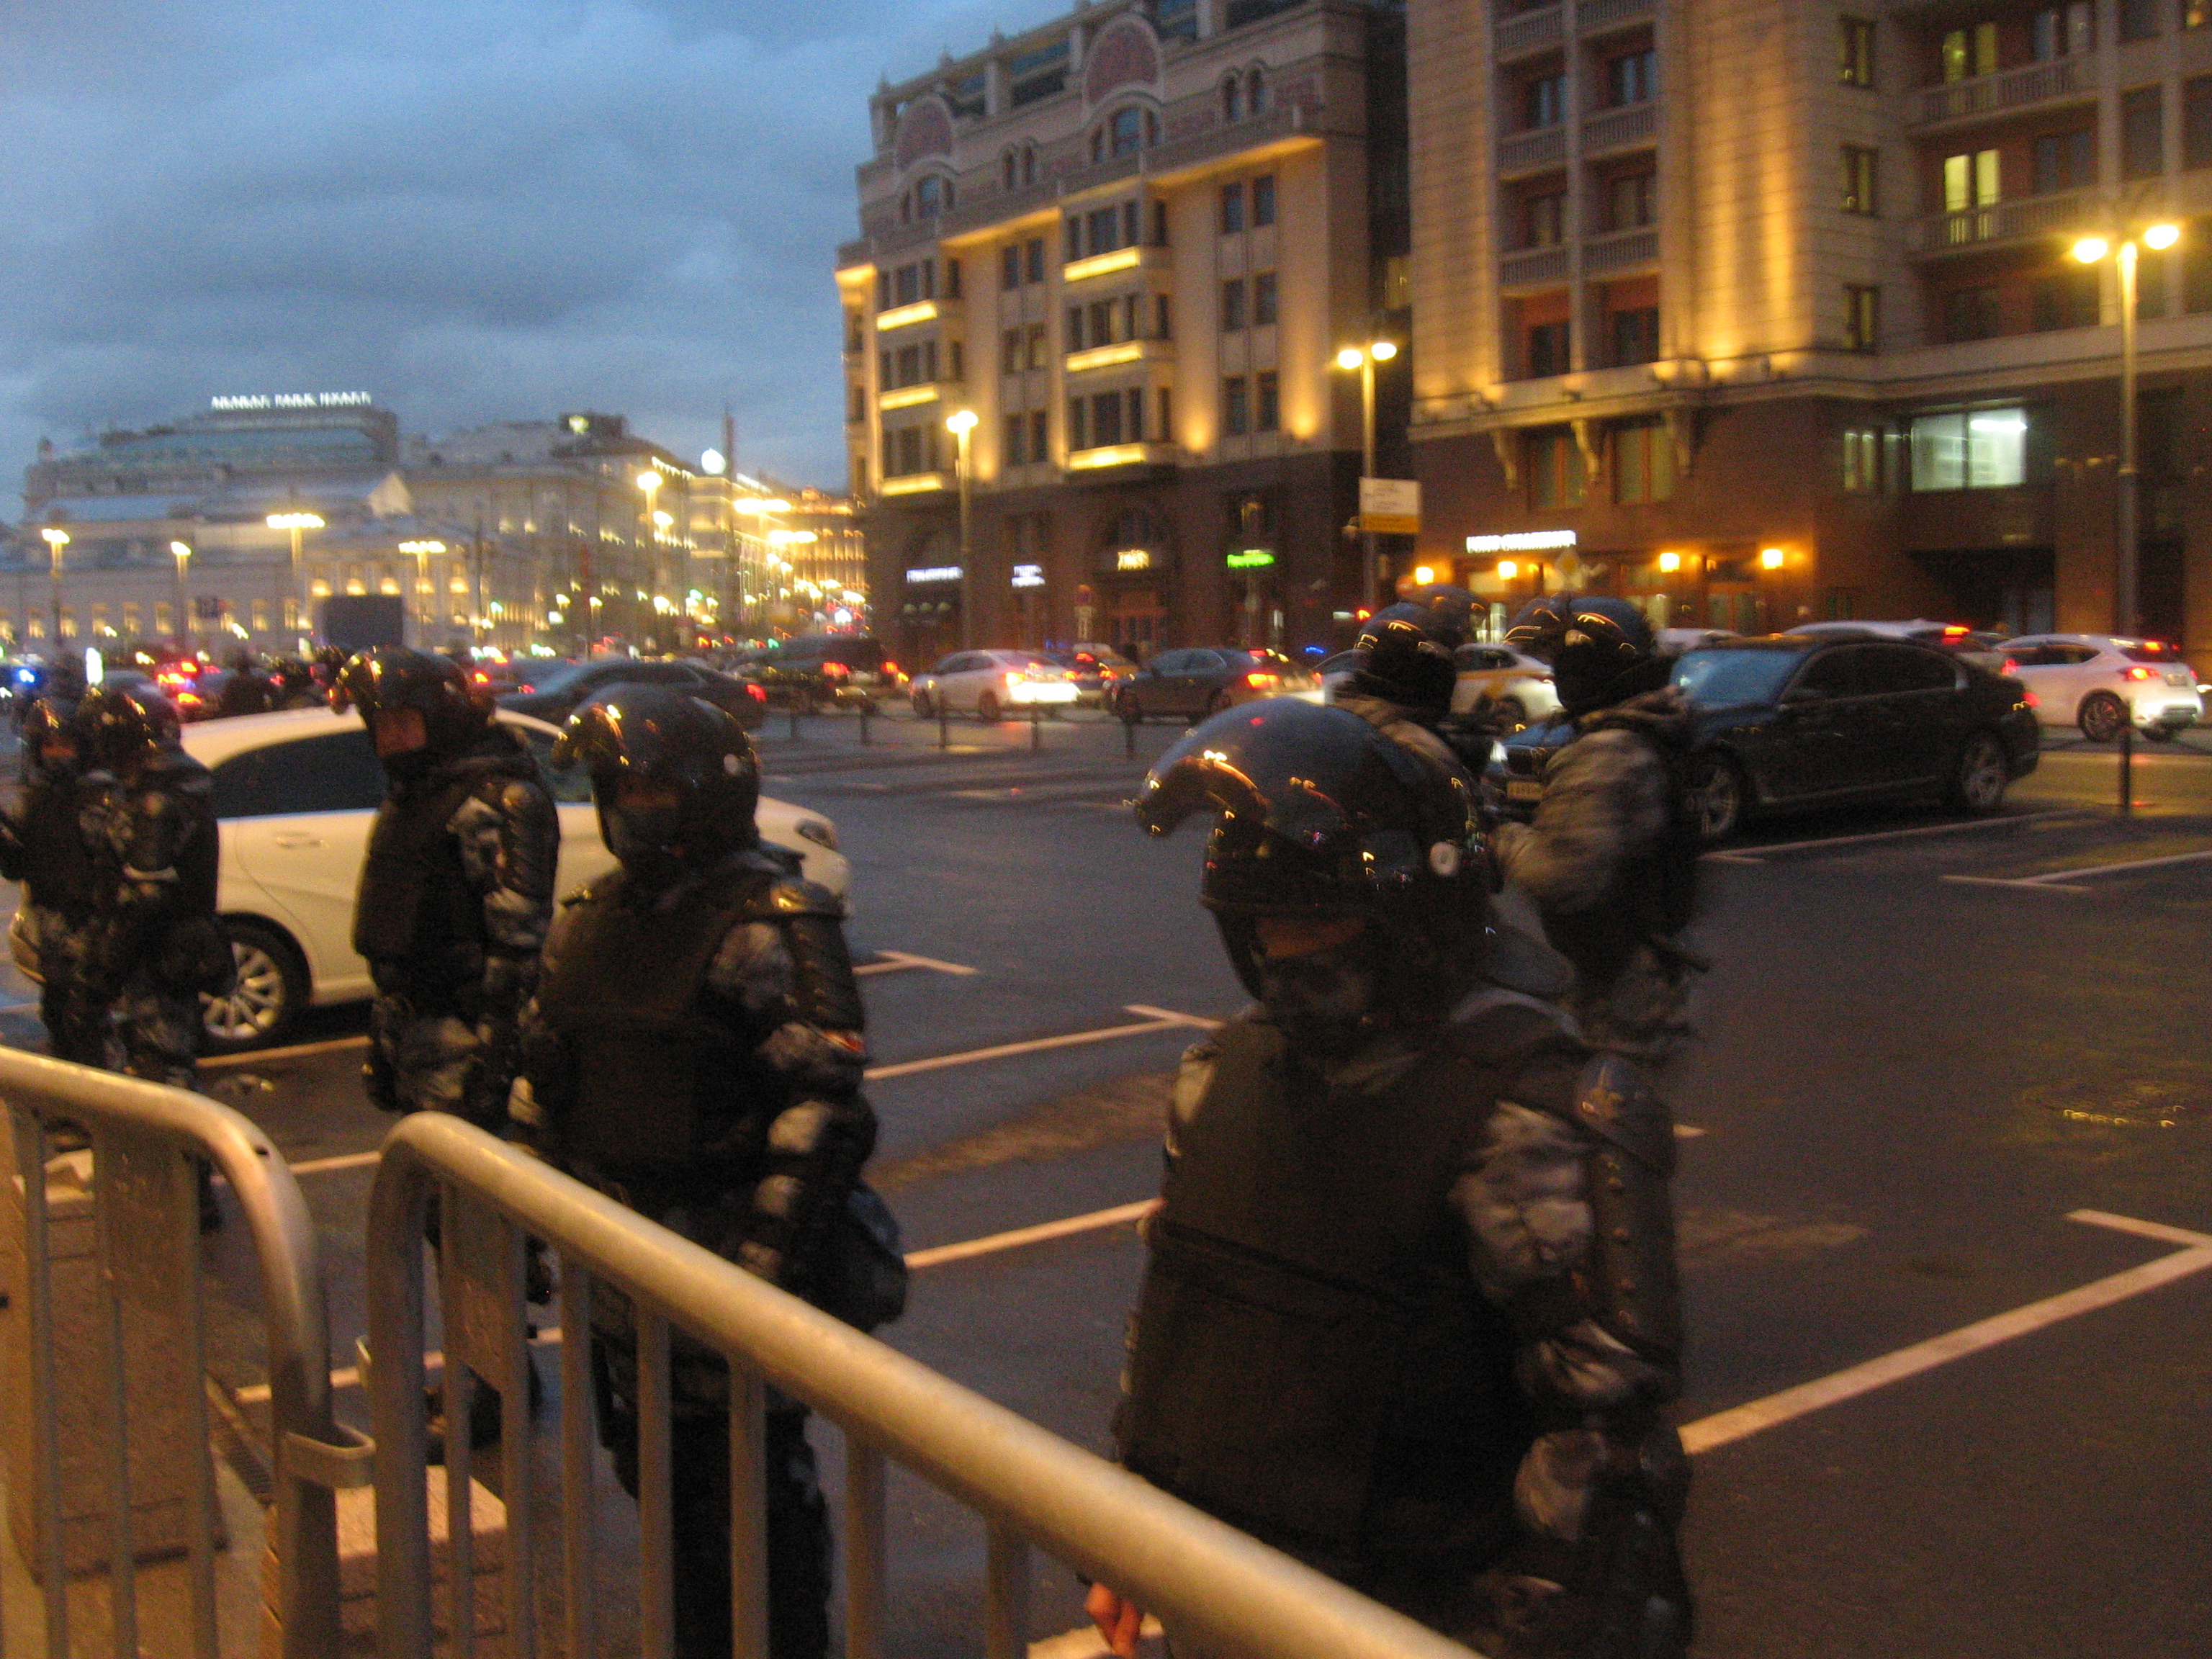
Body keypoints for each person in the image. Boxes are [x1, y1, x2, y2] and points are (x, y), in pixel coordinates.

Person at [1090, 698, 1691, 1659]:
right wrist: (1123, 1522)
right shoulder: (1221, 1075)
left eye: (1318, 917)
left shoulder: (1523, 1117)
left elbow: (1604, 1447)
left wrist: (1524, 1633)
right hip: (1221, 1595)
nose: (1288, 954)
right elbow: (1177, 1322)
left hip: (1409, 1616)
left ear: (1410, 912)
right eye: (1265, 925)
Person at [509, 685, 894, 1659]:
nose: (630, 803)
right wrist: (517, 1209)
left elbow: (822, 1106)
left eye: (647, 784)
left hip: (722, 1272)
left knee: (754, 1507)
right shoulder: (593, 917)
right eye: (615, 786)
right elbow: (546, 1070)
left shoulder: (766, 921)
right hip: (620, 1276)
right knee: (659, 1489)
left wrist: (757, 1279)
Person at [330, 648, 558, 1130]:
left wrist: (494, 1066)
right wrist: (384, 1036)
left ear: (441, 717)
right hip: (414, 1029)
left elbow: (516, 953)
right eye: (381, 727)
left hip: (464, 1038)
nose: (391, 740)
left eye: (403, 723)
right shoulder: (414, 796)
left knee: (457, 1194)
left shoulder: (496, 800)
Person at [1492, 596, 1704, 1066]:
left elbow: (1559, 874)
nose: (1559, 675)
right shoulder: (1649, 728)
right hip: (1646, 964)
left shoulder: (1608, 752)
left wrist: (1498, 836)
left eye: (1571, 663)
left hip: (1617, 987)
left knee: (1596, 1117)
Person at [0, 692, 111, 1064]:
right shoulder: (37, 799)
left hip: (92, 934)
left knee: (89, 1030)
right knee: (59, 1020)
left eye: (65, 744)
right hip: (52, 935)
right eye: (49, 744)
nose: (57, 753)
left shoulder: (101, 797)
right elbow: (20, 868)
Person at [215, 650, 274, 718]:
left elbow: (226, 703)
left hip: (239, 718)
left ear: (237, 668)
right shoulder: (259, 681)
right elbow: (276, 697)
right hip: (259, 715)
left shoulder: (232, 684)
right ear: (249, 667)